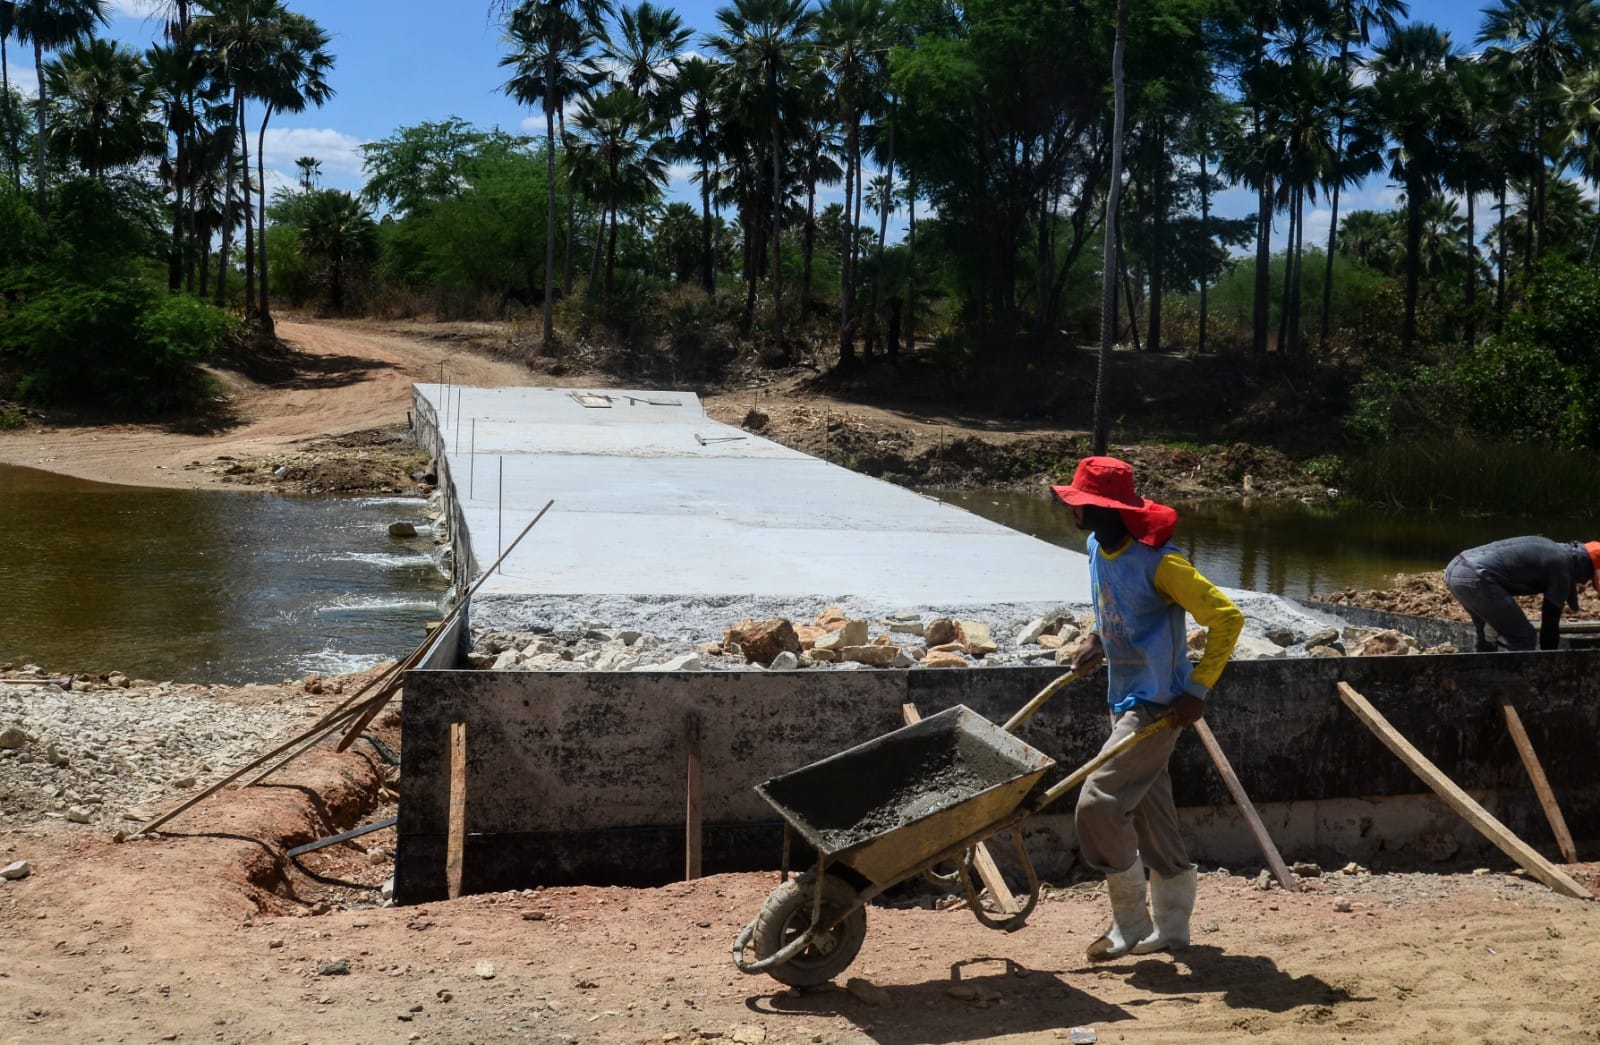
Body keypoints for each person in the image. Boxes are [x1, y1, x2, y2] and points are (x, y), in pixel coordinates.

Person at [1053, 456, 1243, 961]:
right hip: (1124, 694)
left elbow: (1226, 617)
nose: (1072, 508)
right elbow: (1108, 603)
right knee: (1153, 812)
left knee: (1097, 803)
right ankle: (1174, 930)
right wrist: (1095, 639)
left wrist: (1197, 688)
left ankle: (1130, 922)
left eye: (1081, 502)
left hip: (1159, 704)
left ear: (1110, 509)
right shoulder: (1096, 546)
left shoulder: (1162, 562)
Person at [1444, 537, 1600, 652]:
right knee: (1523, 637)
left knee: (1486, 634)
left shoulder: (1557, 551)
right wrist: (1549, 662)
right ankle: (1516, 690)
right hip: (1476, 578)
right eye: (1587, 578)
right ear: (1587, 569)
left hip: (1457, 569)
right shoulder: (1563, 568)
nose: (1583, 582)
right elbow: (1550, 624)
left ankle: (1478, 677)